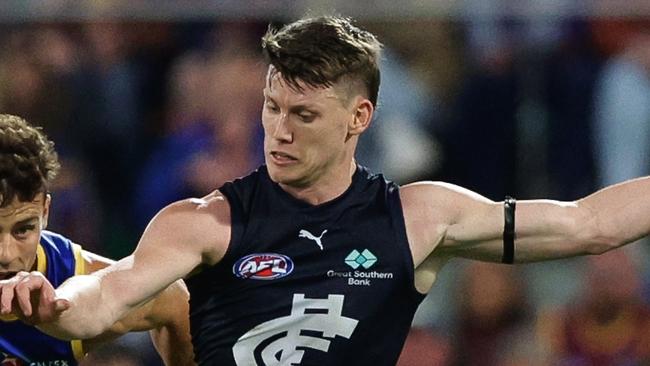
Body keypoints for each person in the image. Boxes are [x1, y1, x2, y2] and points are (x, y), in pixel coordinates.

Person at [1, 16, 650, 366]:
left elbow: (585, 224)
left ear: (359, 118)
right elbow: (104, 299)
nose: (278, 132)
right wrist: (49, 301)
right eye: (271, 107)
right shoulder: (204, 223)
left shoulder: (418, 218)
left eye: (303, 115)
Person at [0, 114, 194, 365]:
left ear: (45, 213)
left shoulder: (69, 273)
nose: (6, 254)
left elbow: (173, 300)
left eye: (23, 230)